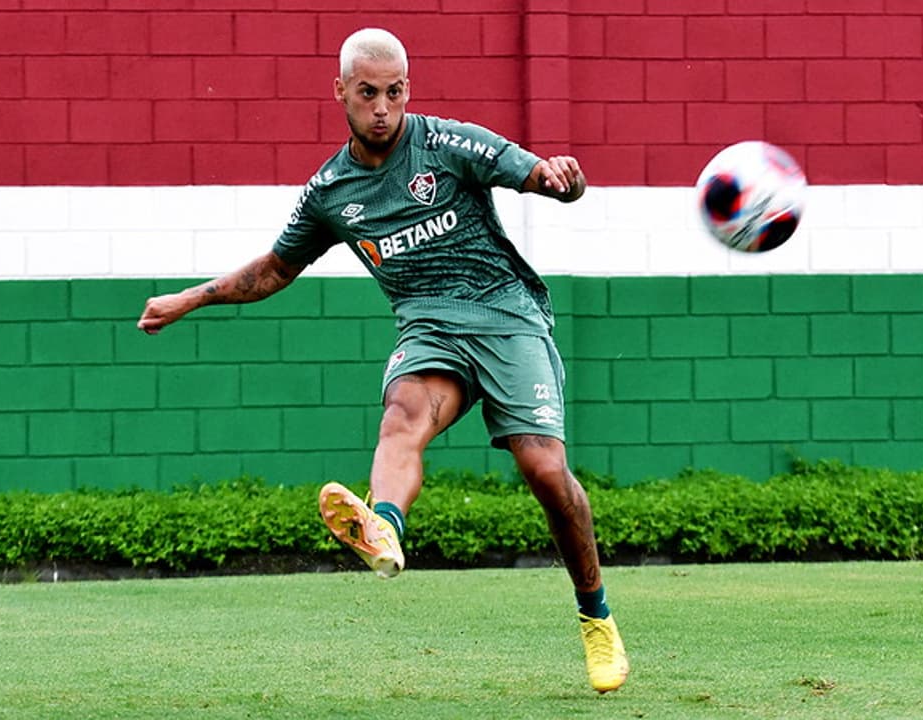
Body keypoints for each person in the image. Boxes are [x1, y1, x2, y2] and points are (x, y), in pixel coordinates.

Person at [137, 27, 628, 694]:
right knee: (401, 415)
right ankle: (385, 529)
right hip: (428, 328)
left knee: (543, 468)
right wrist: (189, 300)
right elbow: (277, 269)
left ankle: (595, 616)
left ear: (407, 90)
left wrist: (563, 182)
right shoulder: (331, 193)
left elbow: (535, 173)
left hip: (507, 314)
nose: (382, 108)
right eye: (367, 93)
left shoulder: (447, 143)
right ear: (340, 90)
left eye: (394, 92)